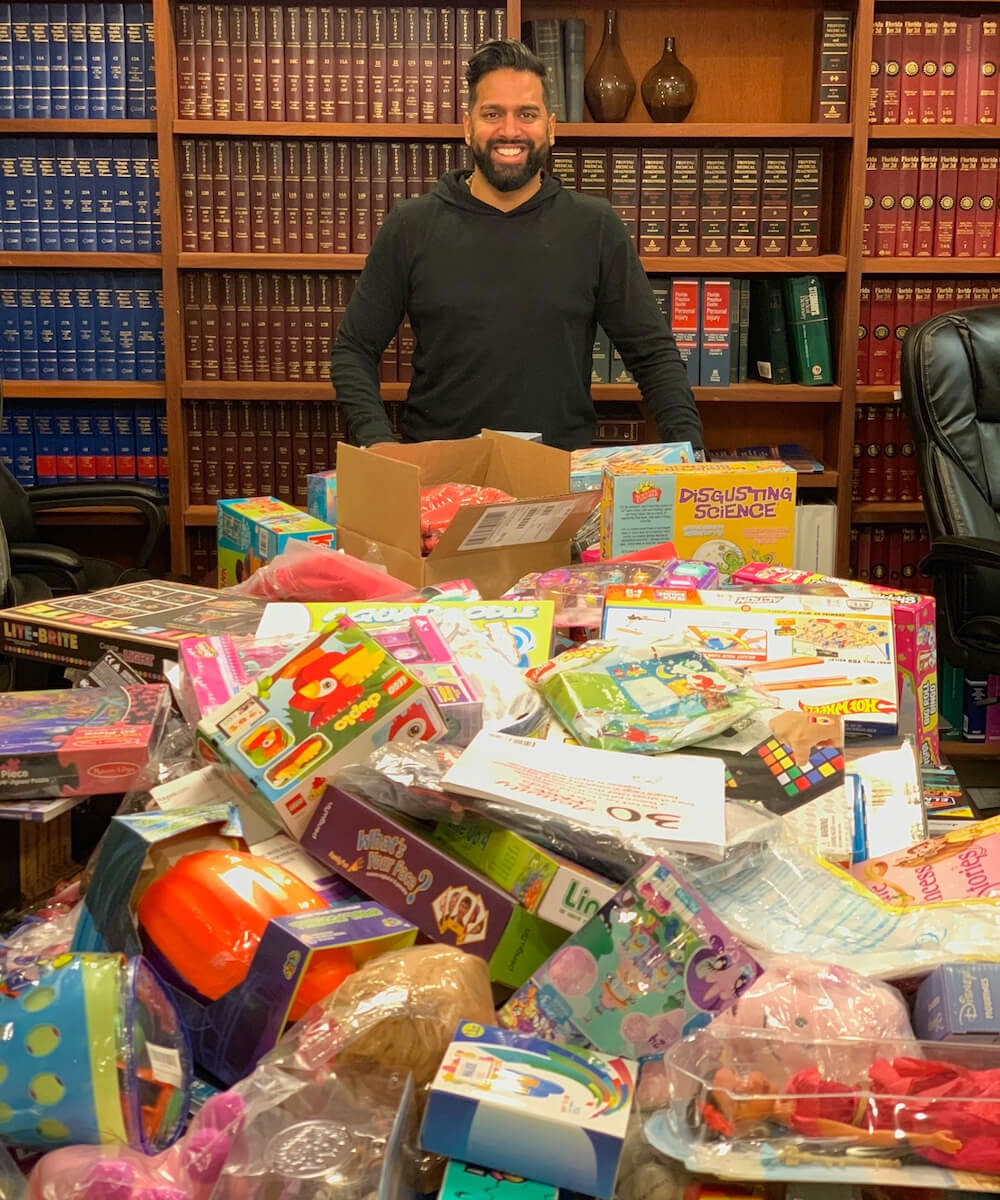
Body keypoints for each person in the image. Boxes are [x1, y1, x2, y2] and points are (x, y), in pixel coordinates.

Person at [330, 38, 704, 453]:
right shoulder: (411, 225)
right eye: (493, 114)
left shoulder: (595, 227)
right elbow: (353, 350)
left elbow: (653, 357)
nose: (510, 130)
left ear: (551, 128)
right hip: (440, 482)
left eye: (526, 114)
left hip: (560, 482)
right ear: (468, 126)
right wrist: (378, 443)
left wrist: (690, 457)